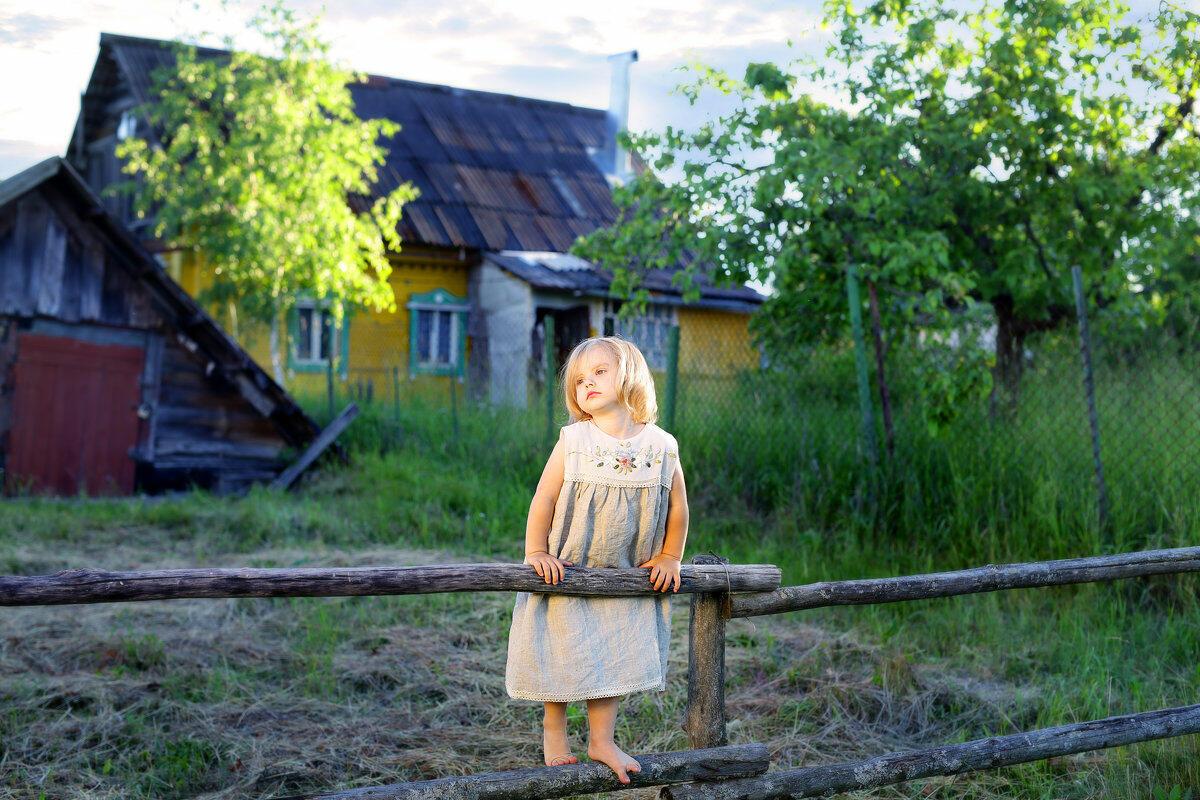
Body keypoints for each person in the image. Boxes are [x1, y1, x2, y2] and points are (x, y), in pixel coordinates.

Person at [505, 335, 690, 783]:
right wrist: (536, 552)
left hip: (625, 570)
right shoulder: (574, 440)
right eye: (579, 380)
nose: (587, 383)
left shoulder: (662, 446)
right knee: (562, 644)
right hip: (569, 563)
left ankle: (601, 739)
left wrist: (669, 556)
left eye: (599, 373)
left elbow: (679, 507)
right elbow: (544, 498)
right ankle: (555, 730)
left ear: (629, 374)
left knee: (610, 652)